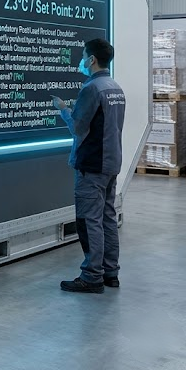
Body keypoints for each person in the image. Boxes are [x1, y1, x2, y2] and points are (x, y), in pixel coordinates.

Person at [52, 38, 126, 294]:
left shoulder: (92, 89)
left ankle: (92, 276)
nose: (81, 61)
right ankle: (110, 272)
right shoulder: (114, 87)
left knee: (89, 220)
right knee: (107, 218)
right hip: (111, 162)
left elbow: (78, 128)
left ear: (92, 59)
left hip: (92, 165)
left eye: (84, 56)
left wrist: (63, 109)